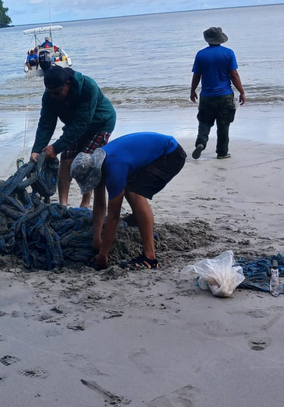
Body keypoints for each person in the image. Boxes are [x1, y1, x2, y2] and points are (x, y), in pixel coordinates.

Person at [71, 132, 186, 270]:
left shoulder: (113, 167)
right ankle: (138, 220)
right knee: (129, 188)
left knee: (135, 193)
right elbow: (100, 204)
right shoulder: (97, 162)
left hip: (170, 154)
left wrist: (103, 255)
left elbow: (114, 216)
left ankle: (150, 257)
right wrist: (97, 238)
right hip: (152, 153)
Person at [31, 66, 116, 208]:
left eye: (57, 93)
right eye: (50, 93)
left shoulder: (88, 88)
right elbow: (46, 123)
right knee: (66, 161)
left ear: (68, 84)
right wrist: (37, 149)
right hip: (74, 125)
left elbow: (82, 124)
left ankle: (85, 203)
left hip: (100, 124)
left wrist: (55, 148)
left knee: (85, 162)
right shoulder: (50, 95)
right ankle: (62, 204)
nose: (53, 97)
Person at [190, 27, 246, 159]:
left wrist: (192, 91)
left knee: (204, 122)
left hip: (207, 96)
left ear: (208, 40)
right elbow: (234, 75)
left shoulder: (201, 54)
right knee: (223, 124)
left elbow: (196, 75)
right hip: (225, 95)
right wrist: (242, 92)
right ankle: (222, 152)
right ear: (220, 39)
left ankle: (201, 143)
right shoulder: (228, 53)